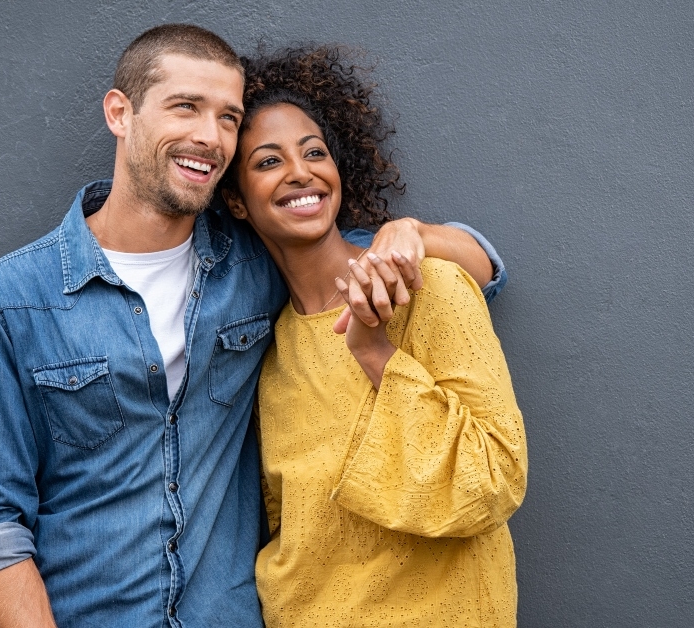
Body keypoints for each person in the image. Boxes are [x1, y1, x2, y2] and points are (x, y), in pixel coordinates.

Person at [0, 24, 508, 627]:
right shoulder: (9, 299)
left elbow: (475, 265)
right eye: (186, 107)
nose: (208, 137)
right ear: (121, 113)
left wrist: (414, 233)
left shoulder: (256, 265)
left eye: (228, 118)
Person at [220, 46, 527, 627]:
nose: (300, 172)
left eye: (315, 152)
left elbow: (494, 478)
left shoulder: (429, 287)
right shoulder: (270, 350)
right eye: (267, 162)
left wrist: (373, 351)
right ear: (236, 199)